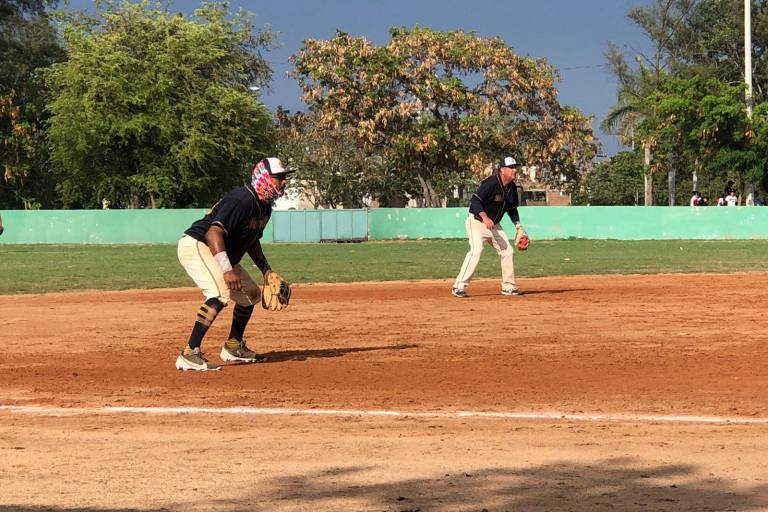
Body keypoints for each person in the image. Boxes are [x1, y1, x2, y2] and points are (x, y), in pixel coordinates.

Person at [175, 157, 294, 371]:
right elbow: (213, 233)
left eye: (285, 178)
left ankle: (233, 346)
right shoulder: (241, 199)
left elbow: (251, 240)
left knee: (251, 294)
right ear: (265, 178)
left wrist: (266, 270)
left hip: (220, 251)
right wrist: (227, 269)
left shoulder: (264, 207)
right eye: (280, 178)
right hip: (198, 244)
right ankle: (189, 352)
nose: (284, 182)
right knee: (220, 293)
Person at [452, 156, 526, 298]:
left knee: (507, 251)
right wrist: (485, 217)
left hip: (494, 225)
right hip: (477, 221)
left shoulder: (512, 188)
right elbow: (475, 200)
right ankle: (458, 286)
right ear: (502, 170)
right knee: (476, 250)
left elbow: (511, 208)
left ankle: (508, 287)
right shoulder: (491, 183)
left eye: (515, 167)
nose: (514, 170)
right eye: (511, 168)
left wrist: (518, 225)